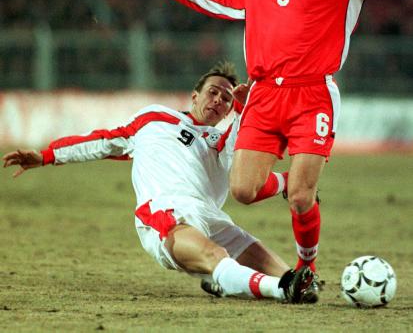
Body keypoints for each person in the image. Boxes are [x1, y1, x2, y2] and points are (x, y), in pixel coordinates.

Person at [142, 0, 411, 284]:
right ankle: (287, 183)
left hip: (312, 95)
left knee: (302, 198)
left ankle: (306, 267)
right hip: (264, 95)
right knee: (243, 190)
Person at [2, 62, 317, 303]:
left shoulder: (221, 142)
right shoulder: (155, 119)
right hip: (166, 212)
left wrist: (246, 111)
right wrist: (47, 155)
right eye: (213, 92)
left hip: (211, 217)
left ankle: (266, 283)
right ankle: (277, 290)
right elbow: (104, 141)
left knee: (289, 274)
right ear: (194, 95)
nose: (218, 100)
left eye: (226, 99)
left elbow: (242, 172)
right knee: (218, 258)